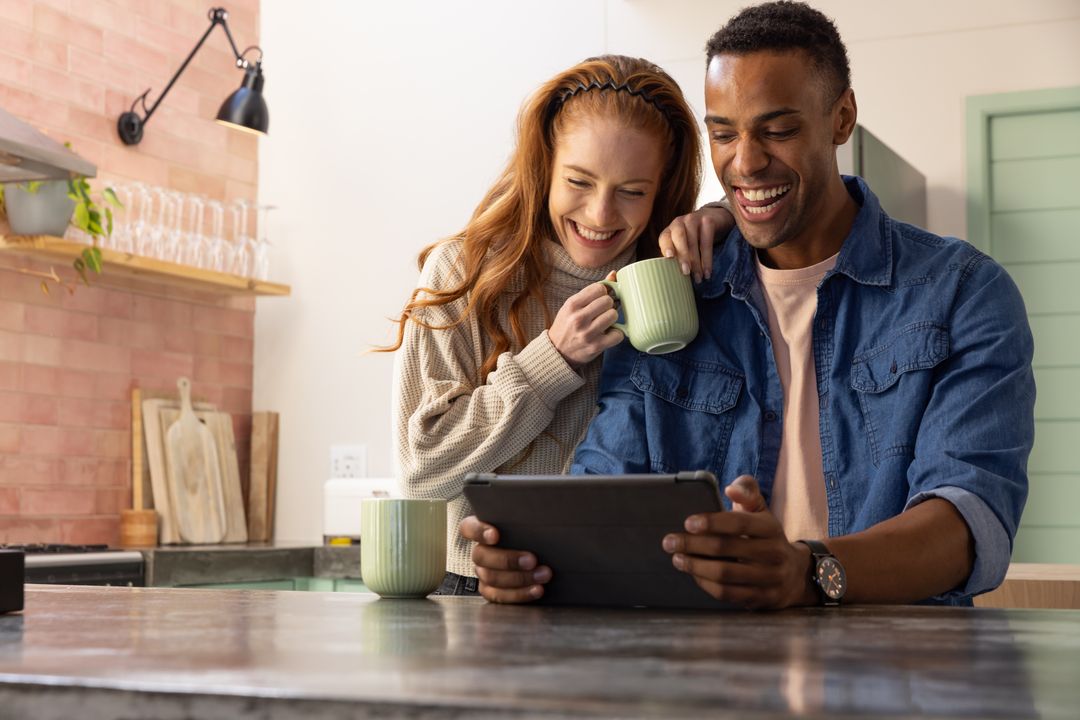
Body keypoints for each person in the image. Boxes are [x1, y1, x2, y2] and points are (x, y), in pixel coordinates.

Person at [463, 1, 1035, 608]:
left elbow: (970, 520)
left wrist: (809, 571)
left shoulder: (962, 292)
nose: (746, 161)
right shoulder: (673, 299)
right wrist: (537, 557)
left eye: (778, 129)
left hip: (895, 678)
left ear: (841, 118)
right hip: (708, 682)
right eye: (723, 133)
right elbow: (605, 486)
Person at [386, 55, 733, 595]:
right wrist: (551, 362)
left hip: (628, 588)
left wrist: (727, 219)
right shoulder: (464, 271)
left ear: (662, 189)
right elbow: (421, 473)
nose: (599, 215)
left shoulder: (667, 276)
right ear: (543, 165)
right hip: (480, 588)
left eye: (633, 191)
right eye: (579, 181)